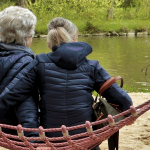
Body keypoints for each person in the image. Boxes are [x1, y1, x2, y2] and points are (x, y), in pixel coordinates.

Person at [0, 17, 133, 149]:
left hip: (52, 141)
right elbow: (124, 101)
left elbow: (11, 95)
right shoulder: (92, 66)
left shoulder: (39, 63)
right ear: (75, 39)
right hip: (86, 140)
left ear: (49, 43)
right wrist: (128, 114)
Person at [0, 6, 39, 137]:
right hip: (13, 129)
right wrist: (34, 141)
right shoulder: (29, 63)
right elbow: (26, 107)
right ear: (28, 36)